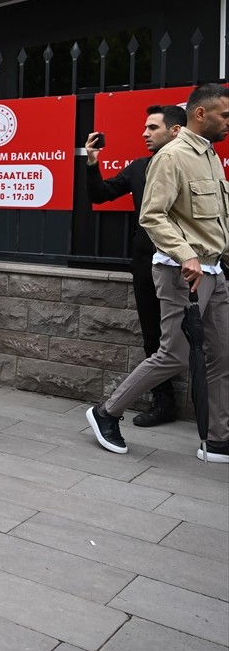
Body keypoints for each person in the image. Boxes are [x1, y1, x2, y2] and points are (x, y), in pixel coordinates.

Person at [87, 84, 229, 463]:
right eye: (224, 115)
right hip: (183, 272)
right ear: (201, 114)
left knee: (222, 355)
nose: (228, 121)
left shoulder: (211, 156)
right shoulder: (173, 157)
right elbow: (152, 216)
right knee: (174, 355)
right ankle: (106, 413)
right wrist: (185, 255)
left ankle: (217, 438)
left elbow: (216, 219)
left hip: (214, 269)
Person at [85, 105, 184, 426]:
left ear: (175, 131)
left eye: (153, 128)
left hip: (186, 267)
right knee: (153, 335)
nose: (144, 133)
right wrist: (91, 161)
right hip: (144, 265)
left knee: (195, 338)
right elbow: (100, 194)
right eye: (145, 127)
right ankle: (164, 402)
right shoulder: (139, 168)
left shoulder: (191, 167)